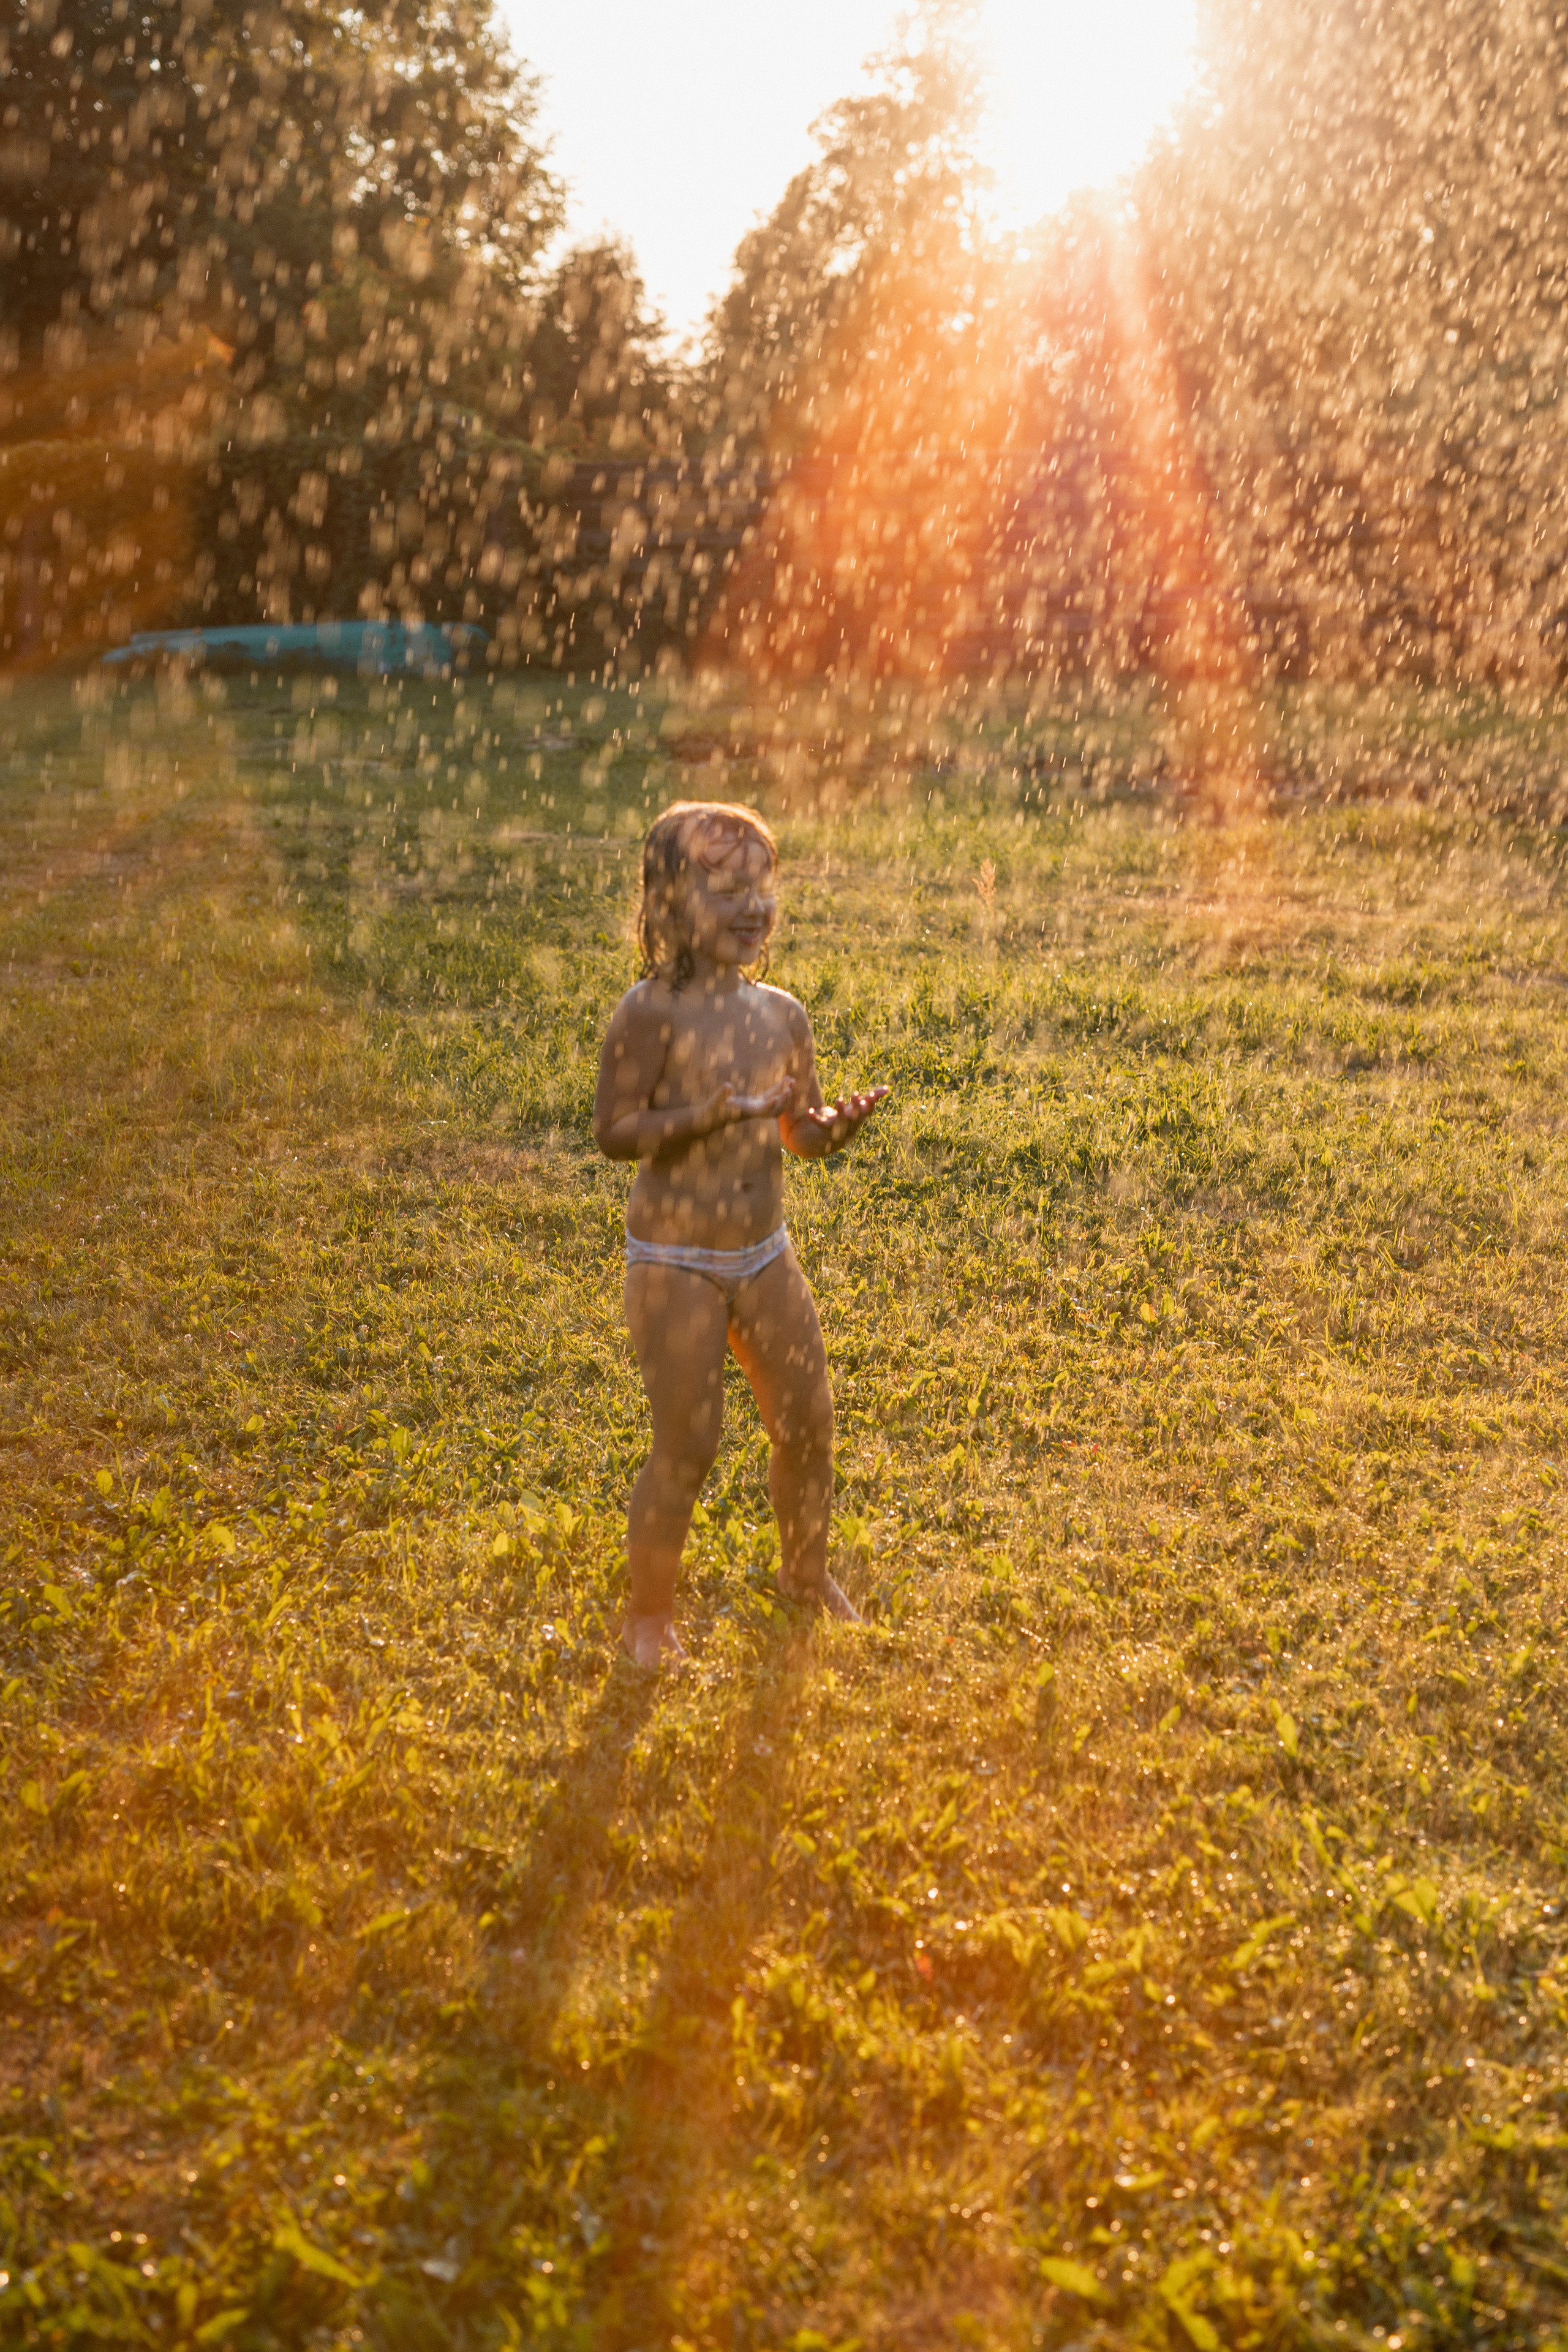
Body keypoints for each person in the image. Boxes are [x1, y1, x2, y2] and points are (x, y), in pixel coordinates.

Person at [592, 799, 889, 1670]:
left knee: (807, 1425)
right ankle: (649, 1619)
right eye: (727, 889)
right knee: (687, 1442)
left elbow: (795, 1131)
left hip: (765, 1253)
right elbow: (615, 1133)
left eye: (763, 886)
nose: (754, 906)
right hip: (675, 1260)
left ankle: (805, 1575)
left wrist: (832, 1128)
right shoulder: (649, 1014)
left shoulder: (782, 1014)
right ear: (671, 907)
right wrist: (702, 1116)